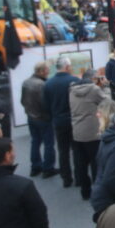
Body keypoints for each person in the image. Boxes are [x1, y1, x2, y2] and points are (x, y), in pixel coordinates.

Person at [69, 69, 111, 200]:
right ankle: (98, 190)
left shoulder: (71, 90)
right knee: (96, 163)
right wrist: (106, 87)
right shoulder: (93, 89)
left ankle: (85, 191)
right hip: (93, 132)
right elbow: (108, 103)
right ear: (93, 79)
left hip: (77, 132)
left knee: (80, 163)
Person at [44, 56, 79, 188]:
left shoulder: (48, 83)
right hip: (74, 120)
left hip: (58, 121)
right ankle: (79, 177)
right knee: (76, 150)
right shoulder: (74, 81)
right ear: (67, 67)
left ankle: (66, 178)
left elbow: (46, 105)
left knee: (63, 150)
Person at [21, 60, 55, 177]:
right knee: (48, 144)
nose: (48, 71)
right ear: (42, 71)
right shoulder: (42, 85)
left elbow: (23, 100)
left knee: (35, 141)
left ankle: (35, 167)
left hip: (31, 117)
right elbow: (45, 103)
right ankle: (48, 168)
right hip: (43, 118)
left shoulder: (26, 82)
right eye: (47, 69)